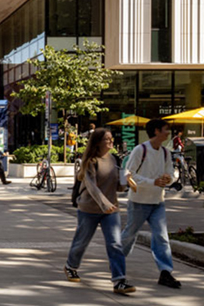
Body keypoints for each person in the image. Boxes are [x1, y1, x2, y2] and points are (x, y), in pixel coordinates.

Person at [65, 128, 136, 296]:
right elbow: (91, 186)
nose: (111, 142)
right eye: (107, 139)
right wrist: (104, 204)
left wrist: (126, 182)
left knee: (115, 244)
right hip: (89, 208)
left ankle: (119, 281)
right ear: (97, 142)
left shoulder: (112, 159)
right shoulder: (90, 161)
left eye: (112, 139)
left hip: (111, 210)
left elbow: (116, 186)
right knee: (82, 241)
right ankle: (71, 266)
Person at [122, 119, 182, 289]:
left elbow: (170, 172)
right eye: (165, 130)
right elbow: (129, 174)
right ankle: (117, 261)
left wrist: (168, 178)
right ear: (156, 131)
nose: (168, 133)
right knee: (129, 234)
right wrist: (152, 182)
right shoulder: (140, 150)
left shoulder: (165, 152)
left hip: (158, 201)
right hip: (139, 201)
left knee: (161, 236)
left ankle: (165, 272)